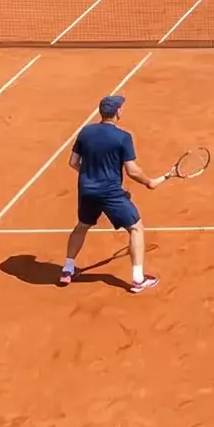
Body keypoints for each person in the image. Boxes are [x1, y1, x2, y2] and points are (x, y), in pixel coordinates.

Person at [61, 94, 167, 292]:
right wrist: (149, 182)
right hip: (110, 193)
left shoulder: (85, 132)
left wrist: (91, 176)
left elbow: (73, 163)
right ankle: (137, 279)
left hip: (86, 191)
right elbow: (132, 170)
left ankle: (67, 269)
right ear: (117, 112)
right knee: (136, 228)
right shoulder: (122, 137)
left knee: (82, 225)